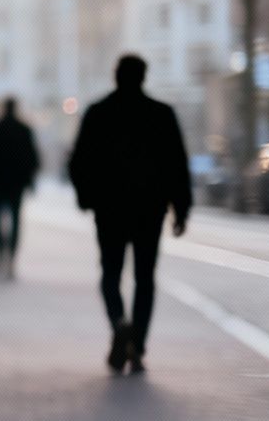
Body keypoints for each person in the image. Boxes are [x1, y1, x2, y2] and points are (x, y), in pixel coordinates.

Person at [66, 54, 193, 375]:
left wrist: (86, 197)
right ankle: (137, 344)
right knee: (145, 278)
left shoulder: (98, 113)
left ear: (116, 76)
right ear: (143, 77)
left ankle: (119, 323)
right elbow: (177, 165)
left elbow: (80, 160)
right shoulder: (161, 115)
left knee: (110, 273)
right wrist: (181, 209)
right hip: (149, 210)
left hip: (109, 209)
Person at [0, 98, 40, 279]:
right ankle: (10, 257)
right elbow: (32, 158)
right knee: (16, 221)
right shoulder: (23, 130)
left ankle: (1, 254)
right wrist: (30, 180)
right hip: (16, 184)